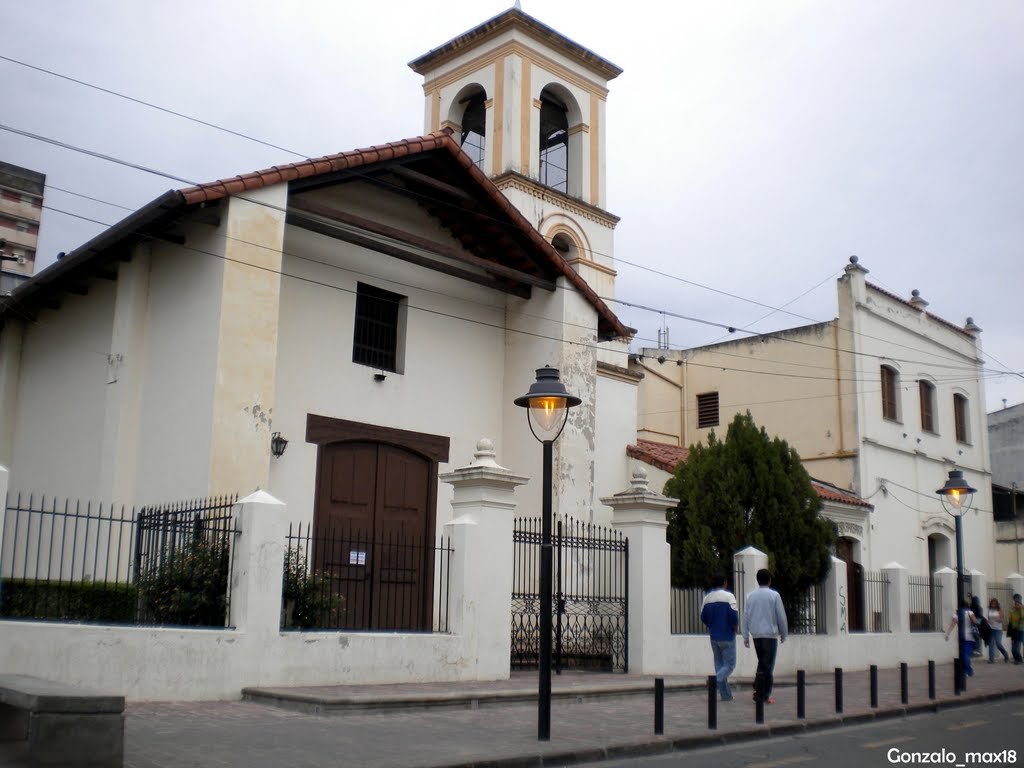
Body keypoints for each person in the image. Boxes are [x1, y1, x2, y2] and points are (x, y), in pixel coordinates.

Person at [743, 568, 788, 704]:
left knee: (762, 662)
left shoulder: (750, 596)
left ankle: (758, 687)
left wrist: (745, 635)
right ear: (769, 580)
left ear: (758, 580)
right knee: (768, 665)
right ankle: (764, 693)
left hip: (756, 635)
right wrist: (784, 633)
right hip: (770, 635)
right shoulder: (774, 595)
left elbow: (746, 616)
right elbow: (781, 616)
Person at [701, 573, 739, 701]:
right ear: (724, 583)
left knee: (719, 664)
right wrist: (734, 627)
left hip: (714, 636)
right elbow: (734, 616)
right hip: (727, 635)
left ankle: (726, 695)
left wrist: (711, 625)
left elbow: (703, 617)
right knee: (730, 664)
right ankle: (714, 681)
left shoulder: (707, 598)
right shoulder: (729, 597)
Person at [945, 598, 977, 677]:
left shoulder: (957, 614)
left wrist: (948, 634)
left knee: (963, 655)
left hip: (961, 637)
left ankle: (968, 671)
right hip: (970, 636)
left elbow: (952, 625)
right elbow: (975, 621)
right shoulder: (970, 612)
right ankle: (968, 670)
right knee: (966, 655)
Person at [987, 598, 1010, 663]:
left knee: (998, 644)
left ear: (996, 604)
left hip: (998, 629)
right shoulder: (989, 610)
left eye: (994, 603)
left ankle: (1005, 655)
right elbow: (988, 618)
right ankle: (991, 659)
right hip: (991, 629)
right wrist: (989, 621)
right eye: (992, 603)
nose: (993, 605)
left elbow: (1001, 620)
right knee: (991, 644)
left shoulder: (999, 610)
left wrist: (995, 619)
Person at [1008, 594, 1024, 665]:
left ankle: (1019, 660)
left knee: (1017, 646)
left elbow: (1023, 617)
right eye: (1015, 601)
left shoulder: (1022, 609)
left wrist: (1020, 608)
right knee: (1013, 648)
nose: (1016, 603)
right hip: (1014, 631)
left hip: (1021, 630)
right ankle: (1017, 659)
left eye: (1017, 602)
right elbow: (1010, 620)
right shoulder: (1012, 610)